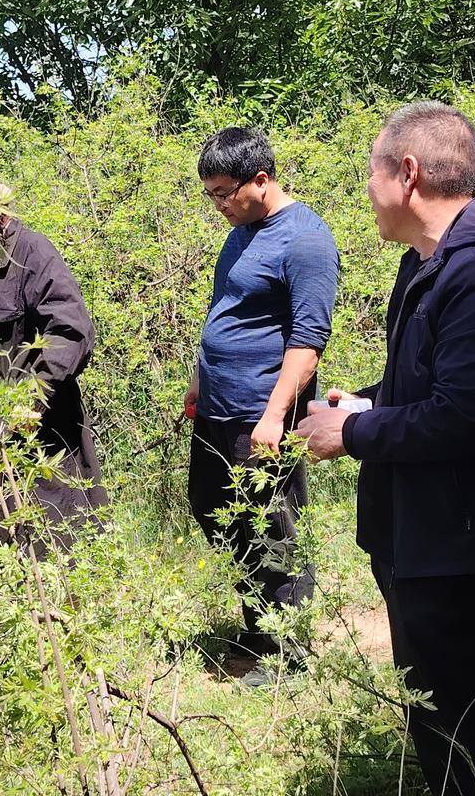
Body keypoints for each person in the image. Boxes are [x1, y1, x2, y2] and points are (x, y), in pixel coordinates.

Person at [297, 102, 475, 796]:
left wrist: (348, 434)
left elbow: (463, 418)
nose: (366, 193)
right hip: (426, 526)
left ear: (407, 173)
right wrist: (370, 401)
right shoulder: (430, 263)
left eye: (370, 174)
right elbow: (433, 384)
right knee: (437, 706)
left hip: (460, 535)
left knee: (455, 718)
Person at [186, 127, 339, 687]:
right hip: (217, 407)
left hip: (262, 412)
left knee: (272, 525)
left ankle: (289, 656)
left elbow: (307, 338)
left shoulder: (305, 240)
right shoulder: (243, 231)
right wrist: (199, 382)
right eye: (211, 196)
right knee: (213, 509)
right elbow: (226, 310)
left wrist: (275, 415)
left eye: (226, 192)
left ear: (262, 179)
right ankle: (260, 625)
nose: (220, 205)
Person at [0, 156, 108, 550]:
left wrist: (31, 400)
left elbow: (71, 329)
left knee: (57, 548)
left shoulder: (31, 252)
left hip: (42, 434)